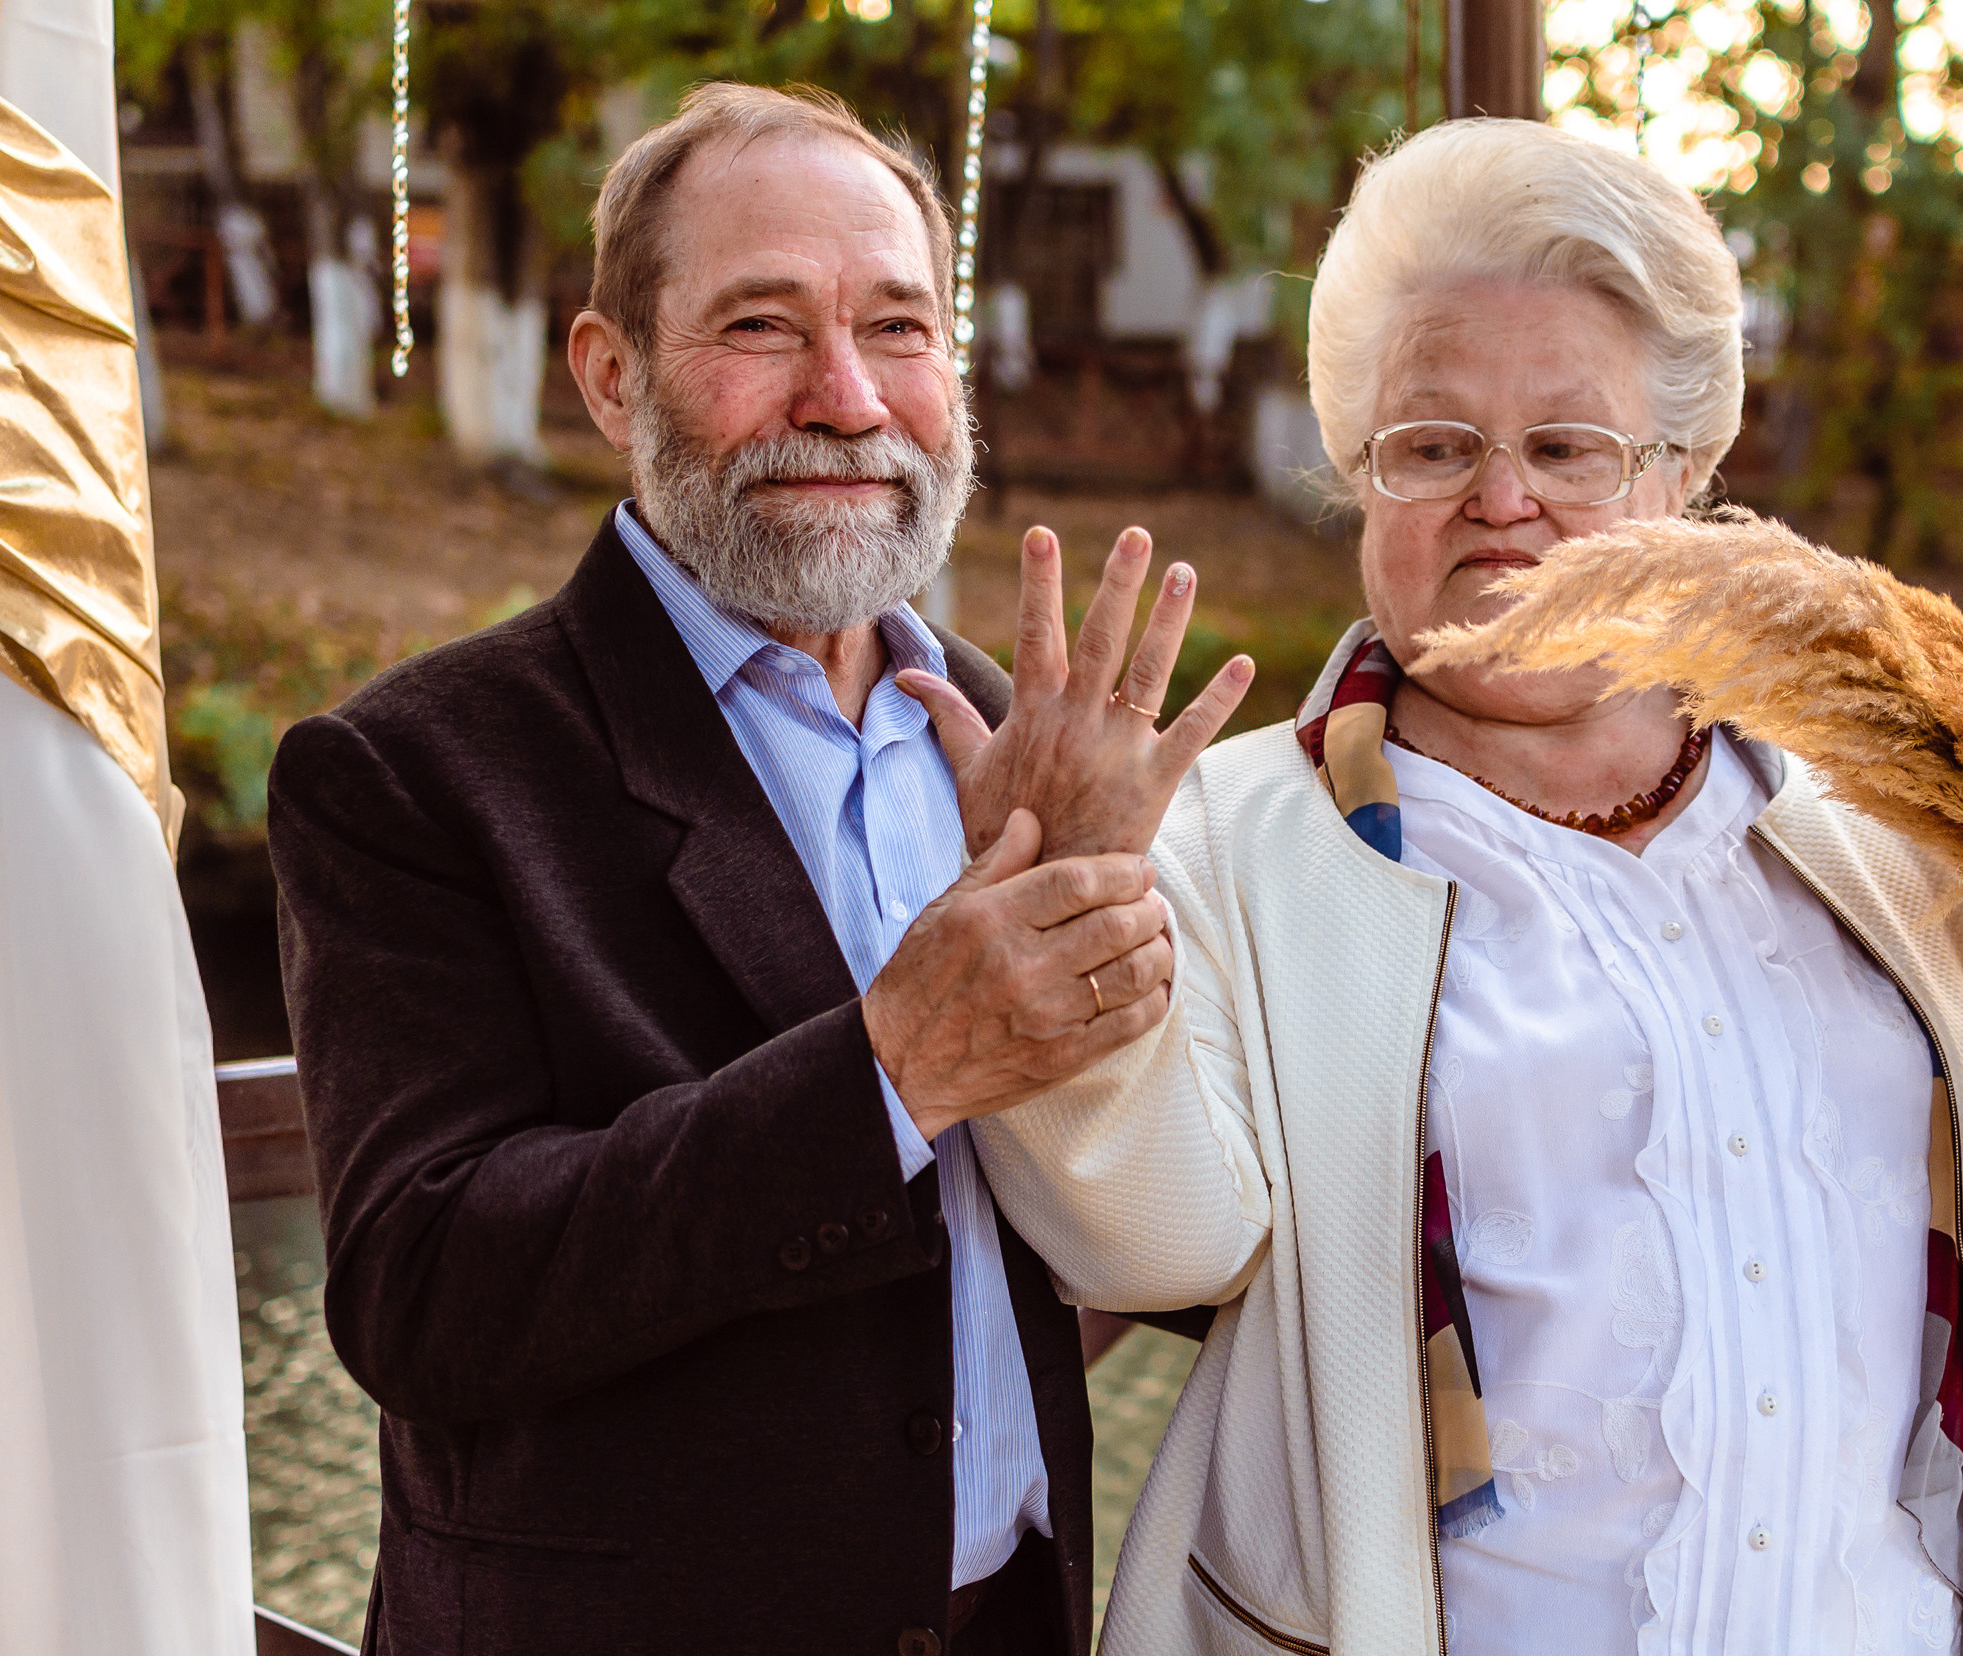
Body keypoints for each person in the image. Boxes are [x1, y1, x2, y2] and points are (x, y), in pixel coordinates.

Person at [963, 118, 1963, 1655]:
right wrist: (1067, 910)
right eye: (1434, 446)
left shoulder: (1915, 824)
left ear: (1686, 476)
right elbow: (1148, 1246)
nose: (1504, 500)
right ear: (1361, 476)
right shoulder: (1231, 841)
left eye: (1570, 447)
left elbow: (1953, 1263)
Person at [267, 84, 1248, 1656]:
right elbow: (424, 1292)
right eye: (763, 326)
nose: (849, 397)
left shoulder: (1026, 739)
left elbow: (1151, 1239)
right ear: (611, 372)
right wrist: (886, 1072)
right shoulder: (413, 768)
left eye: (899, 328)